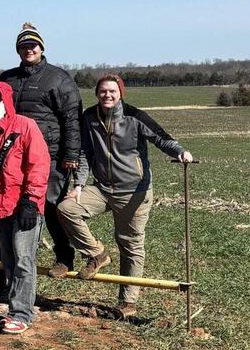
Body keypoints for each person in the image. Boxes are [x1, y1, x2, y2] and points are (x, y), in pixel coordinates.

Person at [57, 74, 195, 319]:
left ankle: (127, 303)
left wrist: (181, 151)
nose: (107, 95)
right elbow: (84, 153)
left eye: (112, 91)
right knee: (67, 209)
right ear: (96, 94)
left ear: (120, 93)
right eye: (102, 91)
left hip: (135, 191)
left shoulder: (135, 116)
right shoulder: (89, 117)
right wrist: (78, 184)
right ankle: (96, 253)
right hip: (101, 188)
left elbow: (161, 137)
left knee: (130, 244)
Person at [0, 22, 82, 278]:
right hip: (9, 154)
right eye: (23, 46)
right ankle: (3, 264)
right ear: (18, 51)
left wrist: (71, 154)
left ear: (41, 48)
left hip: (48, 154)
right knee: (4, 207)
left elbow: (72, 119)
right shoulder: (9, 78)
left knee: (49, 206)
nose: (28, 50)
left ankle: (64, 256)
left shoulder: (58, 78)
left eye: (33, 46)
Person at [0, 81, 50, 335]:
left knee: (23, 260)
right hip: (2, 208)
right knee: (8, 260)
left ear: (4, 99)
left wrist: (31, 200)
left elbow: (39, 164)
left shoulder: (24, 126)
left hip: (24, 207)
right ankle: (13, 310)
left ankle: (23, 314)